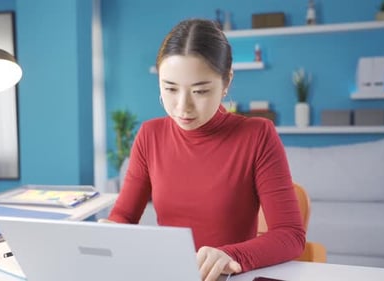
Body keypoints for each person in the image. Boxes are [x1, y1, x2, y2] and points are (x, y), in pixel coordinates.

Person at [101, 18, 305, 281]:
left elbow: (290, 234)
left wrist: (232, 256)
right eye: (170, 89)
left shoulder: (257, 136)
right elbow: (124, 217)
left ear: (226, 82)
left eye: (200, 91)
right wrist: (109, 233)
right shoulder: (150, 135)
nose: (183, 107)